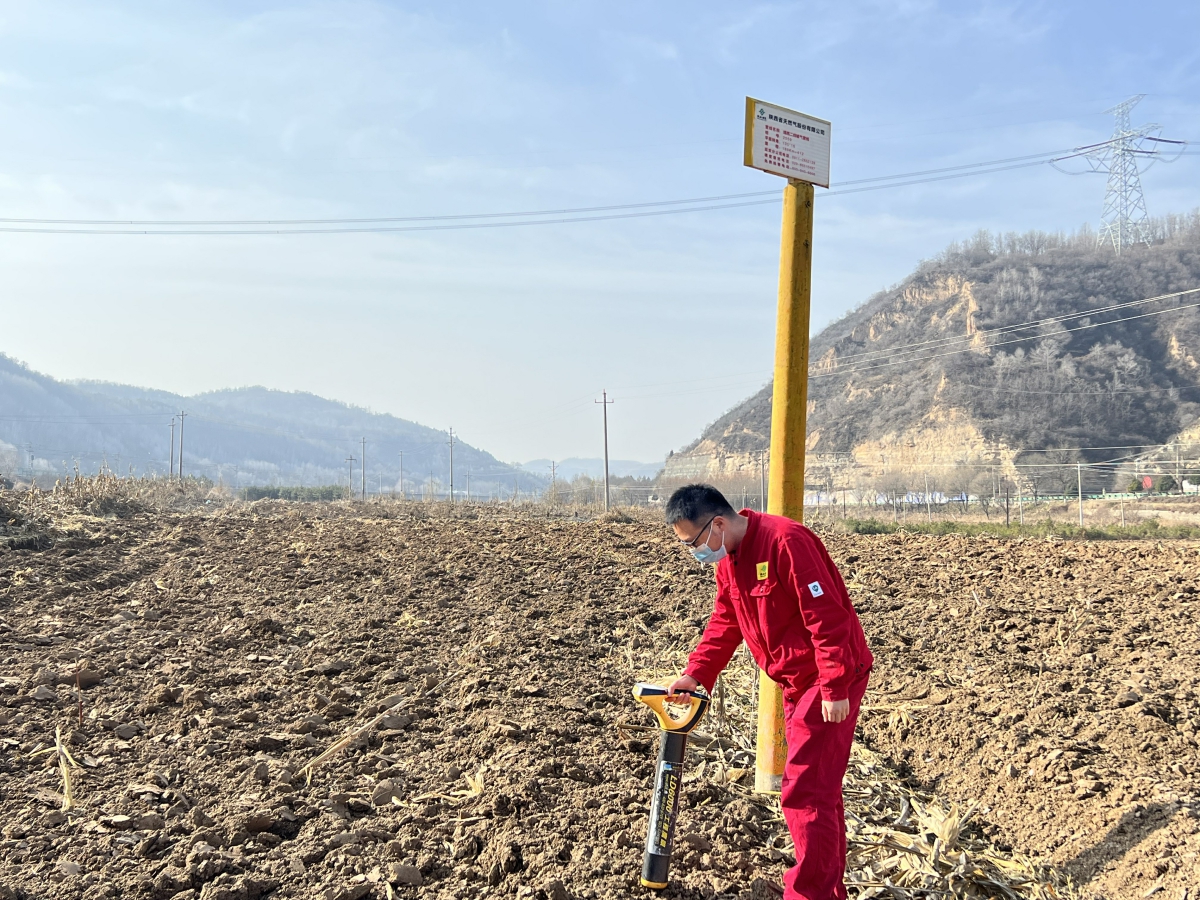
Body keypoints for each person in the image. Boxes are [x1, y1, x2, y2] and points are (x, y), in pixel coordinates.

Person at [664, 483, 872, 900]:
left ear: (718, 524)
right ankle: (828, 891)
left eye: (695, 543)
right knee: (820, 792)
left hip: (827, 679)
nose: (696, 554)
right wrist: (697, 674)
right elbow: (726, 620)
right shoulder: (731, 560)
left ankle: (808, 894)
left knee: (804, 791)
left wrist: (833, 686)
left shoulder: (786, 542)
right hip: (796, 682)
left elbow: (826, 616)